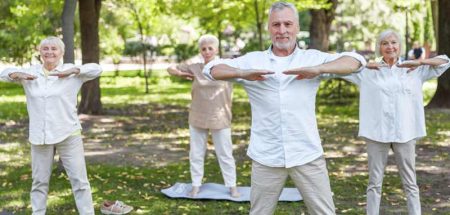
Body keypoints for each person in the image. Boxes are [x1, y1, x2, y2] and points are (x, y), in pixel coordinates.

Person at [203, 2, 366, 214]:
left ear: (297, 27)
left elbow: (357, 61)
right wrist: (243, 74)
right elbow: (211, 69)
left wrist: (318, 69)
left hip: (307, 153)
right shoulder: (253, 60)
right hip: (266, 156)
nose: (282, 30)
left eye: (288, 24)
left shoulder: (312, 58)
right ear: (269, 28)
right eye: (276, 25)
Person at [341, 30, 450, 215]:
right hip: (377, 133)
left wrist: (421, 61)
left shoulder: (414, 69)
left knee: (410, 182)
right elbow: (343, 63)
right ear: (379, 47)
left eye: (393, 42)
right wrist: (364, 64)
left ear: (399, 46)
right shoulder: (367, 71)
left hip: (405, 132)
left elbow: (445, 61)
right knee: (374, 182)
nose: (390, 47)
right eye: (385, 43)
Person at [0, 36, 102, 214]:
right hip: (40, 136)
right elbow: (3, 73)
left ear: (61, 53)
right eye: (45, 49)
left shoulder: (71, 73)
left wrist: (73, 71)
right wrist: (16, 74)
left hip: (68, 133)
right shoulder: (31, 72)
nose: (49, 52)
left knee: (80, 181)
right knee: (39, 182)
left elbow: (96, 69)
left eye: (54, 49)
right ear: (40, 53)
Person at [166, 34, 240, 198]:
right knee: (196, 153)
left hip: (220, 117)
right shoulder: (195, 67)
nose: (207, 51)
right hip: (197, 116)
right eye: (204, 49)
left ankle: (232, 186)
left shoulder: (225, 66)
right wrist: (179, 73)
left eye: (210, 48)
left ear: (216, 49)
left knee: (225, 154)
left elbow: (245, 72)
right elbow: (170, 68)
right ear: (200, 50)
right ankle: (196, 185)